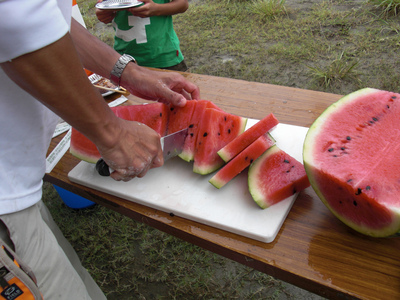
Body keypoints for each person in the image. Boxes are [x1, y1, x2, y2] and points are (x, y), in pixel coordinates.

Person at [0, 0, 200, 299]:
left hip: (17, 179)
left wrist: (126, 72)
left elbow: (49, 17)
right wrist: (110, 131)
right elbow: (13, 20)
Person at [96, 0, 189, 71]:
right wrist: (103, 14)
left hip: (164, 57)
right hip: (125, 59)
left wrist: (156, 9)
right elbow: (104, 6)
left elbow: (182, 4)